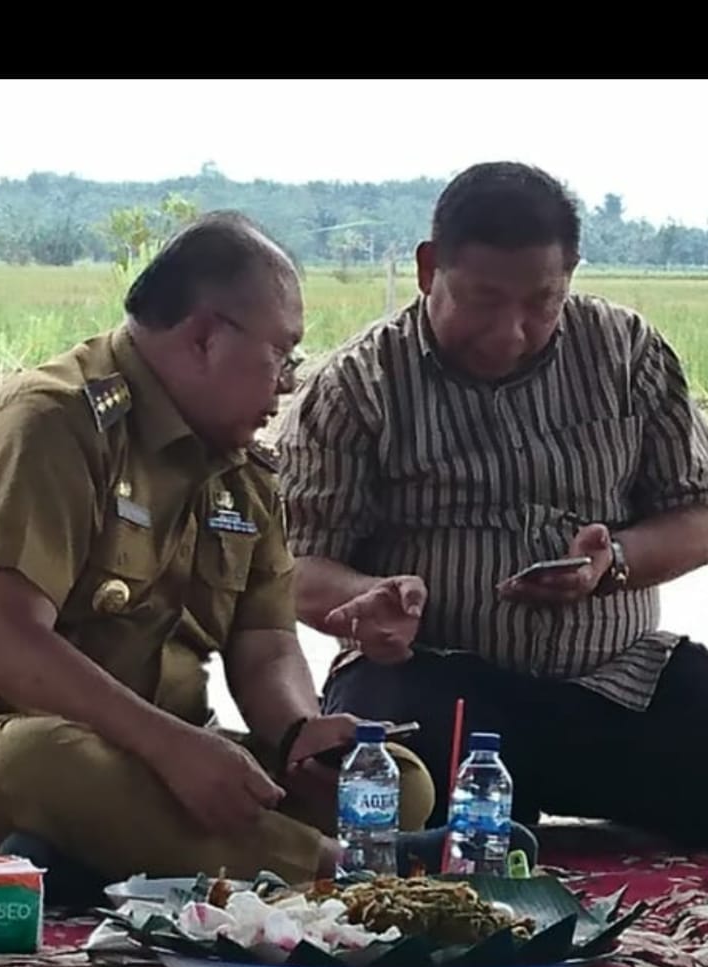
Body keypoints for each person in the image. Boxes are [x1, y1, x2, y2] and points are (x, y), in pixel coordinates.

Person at [0, 212, 436, 889]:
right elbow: (6, 638)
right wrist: (166, 746)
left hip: (167, 756)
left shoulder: (240, 466)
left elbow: (267, 642)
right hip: (38, 739)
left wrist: (297, 733)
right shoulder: (54, 423)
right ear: (203, 337)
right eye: (281, 355)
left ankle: (108, 858)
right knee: (41, 760)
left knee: (394, 782)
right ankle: (333, 873)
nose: (288, 382)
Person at [279, 162, 708, 846]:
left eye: (542, 301)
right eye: (482, 299)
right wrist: (371, 598)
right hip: (436, 683)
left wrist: (616, 563)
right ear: (428, 270)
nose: (511, 331)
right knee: (385, 783)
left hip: (617, 682)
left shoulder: (626, 353)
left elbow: (697, 513)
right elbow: (293, 566)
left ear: (571, 274)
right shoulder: (358, 386)